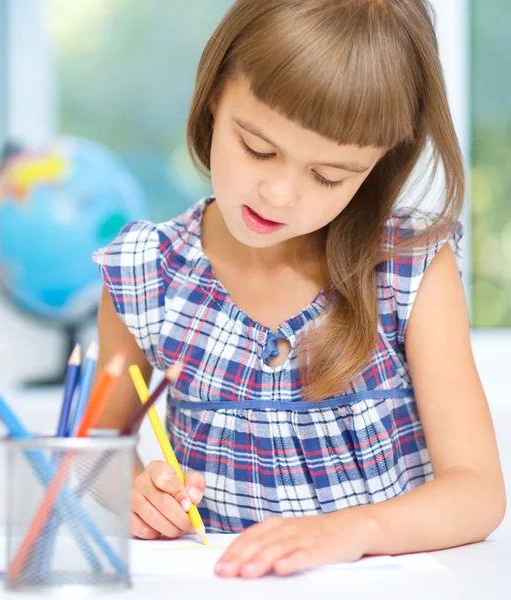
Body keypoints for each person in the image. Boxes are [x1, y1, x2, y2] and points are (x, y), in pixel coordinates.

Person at [92, 0, 505, 579]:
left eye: (328, 175)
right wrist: (138, 491)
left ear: (380, 160)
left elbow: (478, 492)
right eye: (258, 149)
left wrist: (352, 531)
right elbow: (95, 449)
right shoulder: (145, 273)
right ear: (215, 93)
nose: (279, 194)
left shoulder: (408, 268)